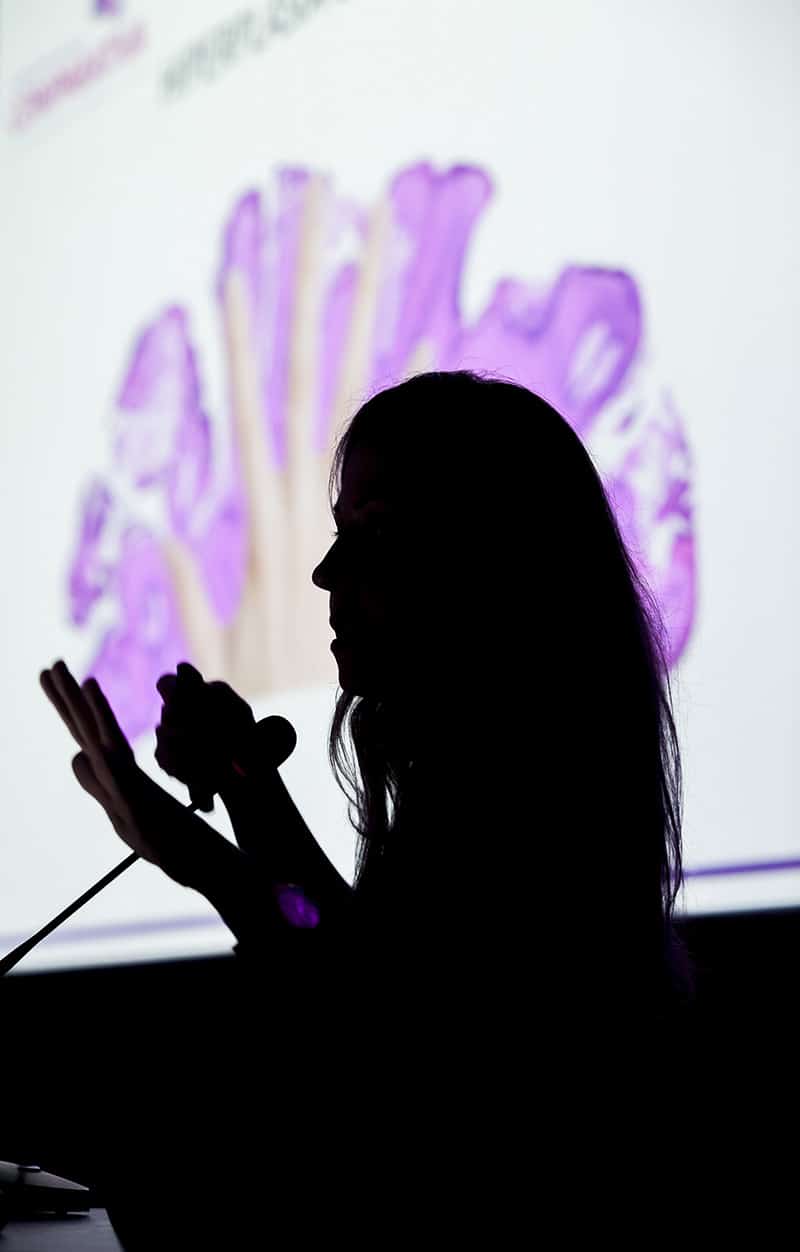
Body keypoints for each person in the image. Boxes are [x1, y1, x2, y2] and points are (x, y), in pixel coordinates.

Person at [40, 370, 694, 1241]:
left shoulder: (526, 820)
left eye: (372, 534)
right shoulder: (504, 772)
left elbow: (377, 1039)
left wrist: (204, 847)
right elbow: (353, 955)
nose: (324, 572)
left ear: (487, 565)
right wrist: (243, 781)